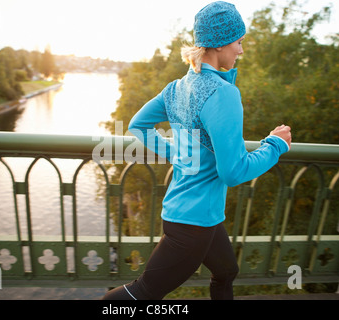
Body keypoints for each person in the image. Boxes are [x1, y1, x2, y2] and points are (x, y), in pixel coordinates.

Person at [102, 1, 291, 300]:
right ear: (219, 44)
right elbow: (233, 171)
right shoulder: (223, 93)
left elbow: (138, 126)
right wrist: (276, 145)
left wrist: (178, 154)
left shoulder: (177, 87)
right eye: (239, 42)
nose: (240, 51)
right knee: (142, 293)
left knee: (226, 272)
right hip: (192, 223)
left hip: (200, 215)